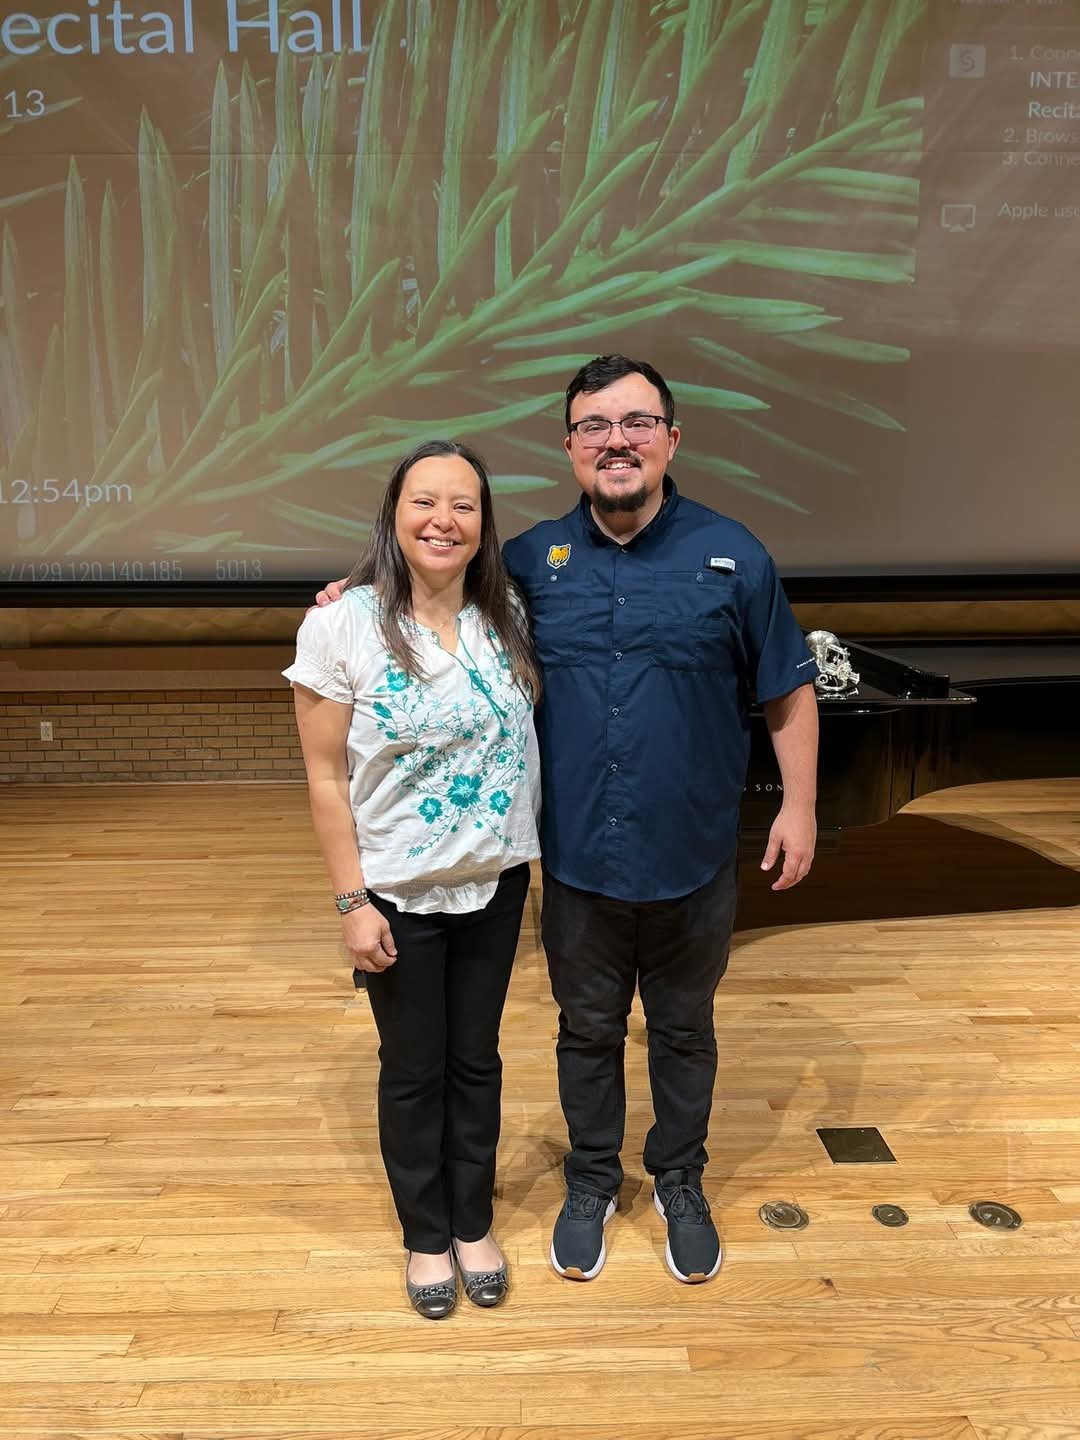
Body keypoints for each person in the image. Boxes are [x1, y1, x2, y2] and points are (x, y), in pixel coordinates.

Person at [318, 356, 819, 1288]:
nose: (616, 440)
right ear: (571, 448)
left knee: (683, 1031)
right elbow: (429, 576)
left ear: (671, 438)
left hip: (696, 858)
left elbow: (786, 686)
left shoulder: (734, 555)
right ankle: (590, 1178)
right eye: (595, 426)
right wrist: (351, 591)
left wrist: (799, 804)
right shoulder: (527, 564)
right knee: (585, 1032)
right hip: (577, 862)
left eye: (636, 422)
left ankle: (680, 1179)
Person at [287, 439, 542, 1319]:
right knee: (412, 1067)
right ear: (394, 517)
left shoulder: (505, 607)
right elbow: (325, 777)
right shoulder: (341, 623)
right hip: (397, 892)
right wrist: (352, 902)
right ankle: (426, 1234)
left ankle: (473, 1220)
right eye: (424, 502)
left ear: (484, 524)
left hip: (499, 882)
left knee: (477, 1061)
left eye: (464, 505)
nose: (444, 520)